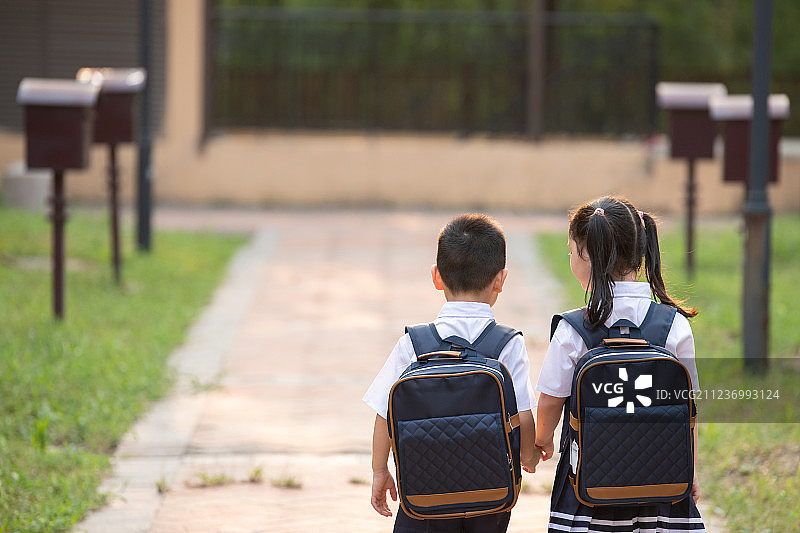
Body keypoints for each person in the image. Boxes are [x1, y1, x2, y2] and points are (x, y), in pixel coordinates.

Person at [535, 195, 706, 532]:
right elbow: (686, 411)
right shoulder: (673, 326)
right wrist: (690, 468)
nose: (571, 259)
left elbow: (551, 400)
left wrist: (542, 438)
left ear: (588, 254)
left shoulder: (574, 330)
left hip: (590, 487)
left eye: (571, 251)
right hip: (662, 484)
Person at [363, 213, 539, 533]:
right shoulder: (507, 344)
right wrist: (528, 455)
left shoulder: (413, 344)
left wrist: (379, 470)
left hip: (423, 494)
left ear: (436, 277)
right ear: (501, 279)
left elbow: (383, 413)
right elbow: (523, 414)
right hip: (490, 490)